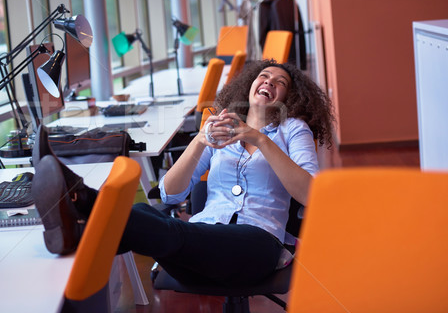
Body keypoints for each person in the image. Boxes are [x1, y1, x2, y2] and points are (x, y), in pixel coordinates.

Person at [33, 59, 335, 287]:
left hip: (256, 246)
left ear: (289, 98)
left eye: (279, 82)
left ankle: (82, 201)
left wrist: (258, 138)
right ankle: (78, 222)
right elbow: (171, 193)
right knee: (146, 212)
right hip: (201, 246)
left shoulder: (292, 130)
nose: (269, 82)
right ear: (250, 85)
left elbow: (310, 194)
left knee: (165, 228)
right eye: (264, 76)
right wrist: (199, 141)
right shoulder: (221, 127)